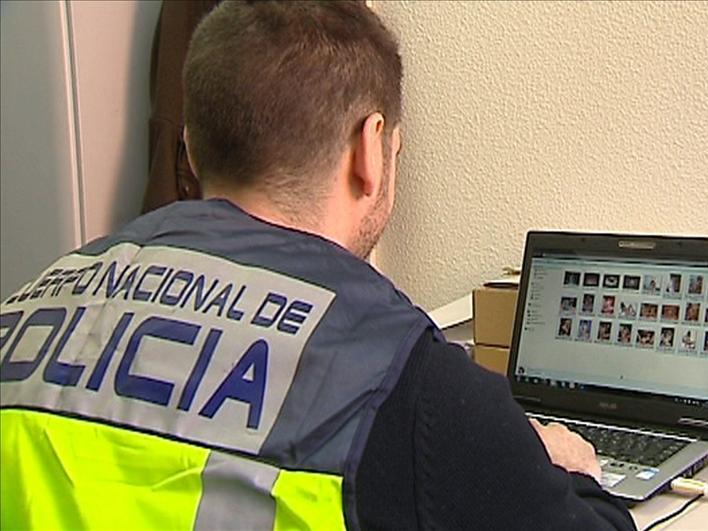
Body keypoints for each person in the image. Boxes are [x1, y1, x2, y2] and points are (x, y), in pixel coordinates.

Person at [0, 2, 634, 530]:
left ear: (190, 149)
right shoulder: (404, 380)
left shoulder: (25, 307)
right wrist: (560, 468)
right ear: (370, 149)